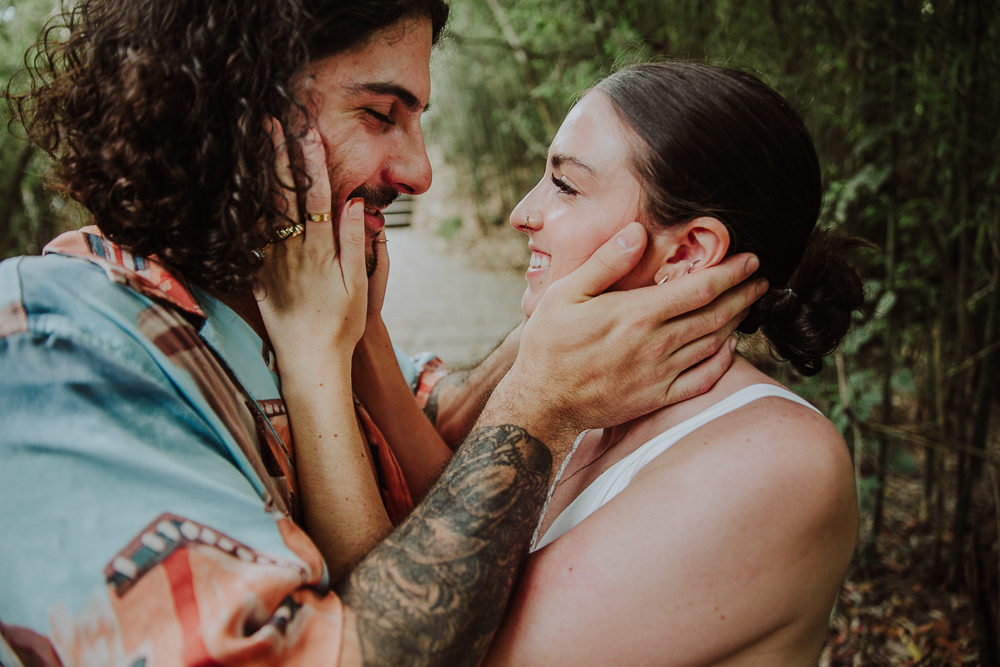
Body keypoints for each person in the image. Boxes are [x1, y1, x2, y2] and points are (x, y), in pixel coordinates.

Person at [0, 3, 765, 666]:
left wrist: (553, 322)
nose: (419, 170)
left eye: (418, 119)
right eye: (379, 113)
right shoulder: (52, 348)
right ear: (231, 104)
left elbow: (444, 438)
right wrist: (539, 402)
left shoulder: (289, 301)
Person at [479, 63, 864, 666]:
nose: (522, 212)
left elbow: (440, 645)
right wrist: (357, 339)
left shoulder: (778, 460)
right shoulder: (598, 387)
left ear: (687, 252)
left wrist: (532, 398)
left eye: (566, 186)